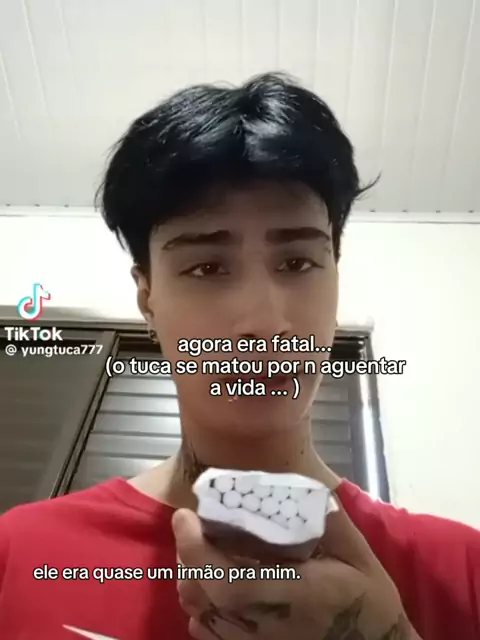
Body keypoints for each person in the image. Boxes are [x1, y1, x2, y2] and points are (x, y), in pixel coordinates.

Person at [0, 73, 478, 640]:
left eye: (297, 263)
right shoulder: (19, 555)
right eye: (207, 268)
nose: (264, 324)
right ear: (147, 298)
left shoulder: (464, 570)